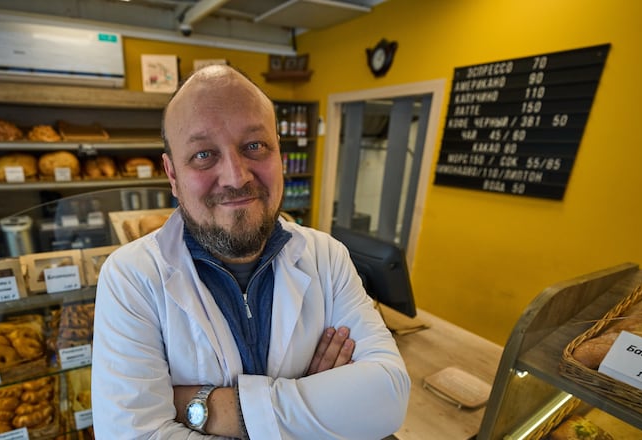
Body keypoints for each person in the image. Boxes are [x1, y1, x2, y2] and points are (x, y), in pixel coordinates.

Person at [92, 64, 410, 439]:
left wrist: (205, 408)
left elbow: (388, 397)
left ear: (279, 153)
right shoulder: (130, 278)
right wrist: (318, 408)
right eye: (203, 154)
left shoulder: (327, 257)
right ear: (172, 174)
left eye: (255, 146)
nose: (236, 177)